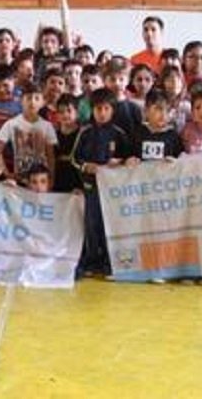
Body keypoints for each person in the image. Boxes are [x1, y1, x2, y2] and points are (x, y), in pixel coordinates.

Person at [72, 88, 131, 277]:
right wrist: (85, 166)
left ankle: (109, 262)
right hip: (90, 187)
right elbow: (74, 158)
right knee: (91, 224)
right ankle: (91, 261)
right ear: (92, 110)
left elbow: (129, 160)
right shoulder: (85, 132)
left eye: (106, 109)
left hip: (112, 191)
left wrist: (119, 163)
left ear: (113, 110)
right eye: (98, 109)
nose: (102, 113)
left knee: (110, 224)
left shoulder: (119, 134)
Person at [0, 82, 57, 183]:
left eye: (37, 98)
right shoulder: (11, 124)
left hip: (41, 181)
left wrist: (51, 178)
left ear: (43, 102)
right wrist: (6, 173)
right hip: (20, 179)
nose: (32, 102)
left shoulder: (47, 126)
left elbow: (50, 156)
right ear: (21, 101)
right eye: (28, 98)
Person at [128, 90, 182, 162]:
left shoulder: (173, 136)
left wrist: (175, 162)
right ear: (146, 111)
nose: (163, 114)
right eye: (158, 109)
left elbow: (180, 159)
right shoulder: (137, 133)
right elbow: (128, 156)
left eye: (167, 110)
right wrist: (129, 160)